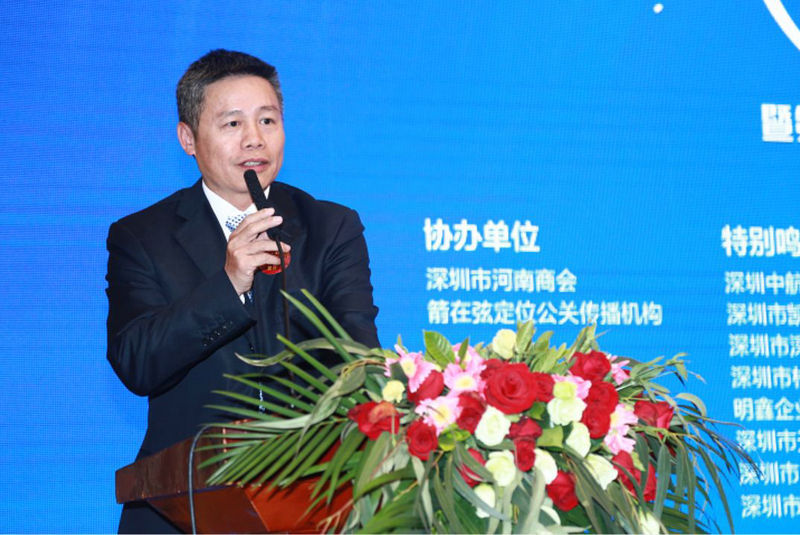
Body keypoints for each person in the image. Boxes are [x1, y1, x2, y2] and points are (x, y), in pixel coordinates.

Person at [106, 49, 379, 533]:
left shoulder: (331, 227)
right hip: (181, 506)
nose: (254, 139)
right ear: (188, 139)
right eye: (232, 124)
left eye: (267, 120)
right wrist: (230, 283)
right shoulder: (142, 236)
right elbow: (137, 360)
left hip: (312, 501)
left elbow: (359, 358)